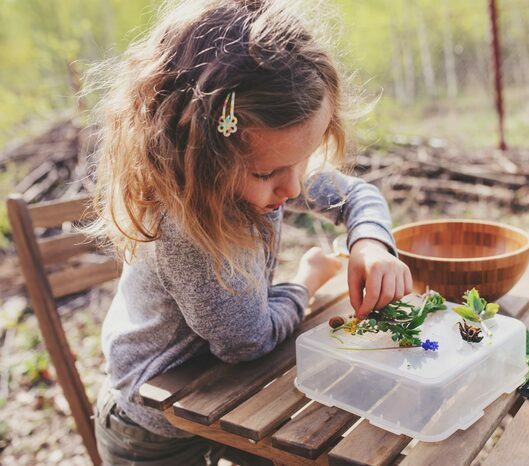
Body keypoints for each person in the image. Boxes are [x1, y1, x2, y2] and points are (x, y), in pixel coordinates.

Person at [86, 0, 412, 464]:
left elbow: (357, 195)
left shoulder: (263, 164)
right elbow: (247, 341)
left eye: (304, 159)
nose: (296, 186)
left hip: (225, 394)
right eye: (269, 174)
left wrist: (371, 244)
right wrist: (306, 282)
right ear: (200, 161)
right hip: (158, 428)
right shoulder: (185, 230)